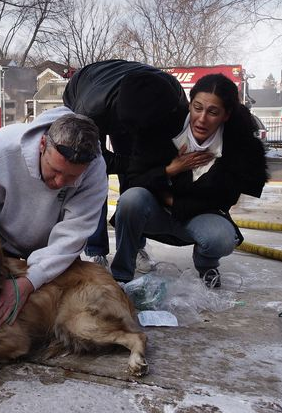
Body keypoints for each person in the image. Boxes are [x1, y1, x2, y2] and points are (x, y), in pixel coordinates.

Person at [111, 74, 268, 287]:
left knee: (221, 238)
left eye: (213, 112)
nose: (202, 119)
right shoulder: (160, 127)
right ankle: (121, 274)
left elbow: (222, 200)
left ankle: (206, 264)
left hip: (197, 216)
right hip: (155, 212)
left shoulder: (239, 148)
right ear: (189, 104)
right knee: (130, 200)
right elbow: (134, 177)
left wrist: (172, 202)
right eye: (197, 107)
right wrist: (170, 170)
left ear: (226, 115)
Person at [0, 107, 107, 325]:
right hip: (0, 243)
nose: (59, 183)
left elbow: (73, 234)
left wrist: (30, 281)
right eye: (55, 170)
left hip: (53, 249)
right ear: (42, 144)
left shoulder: (94, 170)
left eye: (71, 177)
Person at [63, 59, 188, 271]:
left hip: (134, 96)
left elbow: (162, 152)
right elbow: (92, 158)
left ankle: (132, 246)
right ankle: (96, 250)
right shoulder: (89, 110)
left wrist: (149, 168)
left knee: (135, 177)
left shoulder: (172, 96)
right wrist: (135, 164)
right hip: (86, 88)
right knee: (94, 177)